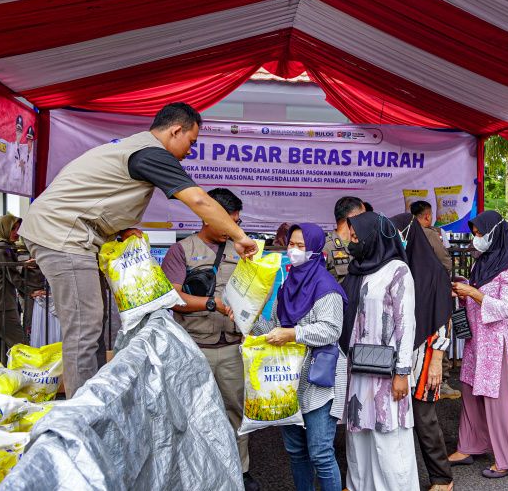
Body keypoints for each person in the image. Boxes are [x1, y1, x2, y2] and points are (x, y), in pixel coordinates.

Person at [19, 103, 258, 398]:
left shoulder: (134, 148)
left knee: (92, 324)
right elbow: (198, 201)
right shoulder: (151, 152)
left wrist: (118, 228)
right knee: (84, 326)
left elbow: (96, 192)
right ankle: (83, 416)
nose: (190, 151)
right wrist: (239, 236)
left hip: (66, 231)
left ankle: (93, 399)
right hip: (63, 235)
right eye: (191, 142)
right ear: (175, 130)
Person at [160, 188, 258, 491]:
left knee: (237, 415)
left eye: (237, 223)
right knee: (191, 416)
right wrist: (210, 304)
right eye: (229, 222)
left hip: (231, 349)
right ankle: (197, 478)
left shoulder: (240, 251)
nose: (234, 229)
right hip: (194, 350)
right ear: (207, 216)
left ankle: (239, 474)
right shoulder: (182, 250)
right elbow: (173, 297)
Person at [263, 224, 347, 491]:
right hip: (289, 379)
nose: (295, 250)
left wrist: (293, 334)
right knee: (296, 452)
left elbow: (331, 329)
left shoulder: (326, 286)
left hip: (318, 379)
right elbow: (275, 328)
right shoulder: (287, 285)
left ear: (314, 249)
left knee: (321, 453)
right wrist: (248, 318)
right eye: (291, 244)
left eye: (301, 246)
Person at [339, 212, 419, 491]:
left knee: (389, 444)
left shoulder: (397, 271)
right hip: (358, 368)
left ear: (374, 236)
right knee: (360, 438)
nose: (352, 239)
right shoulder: (359, 268)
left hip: (387, 373)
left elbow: (406, 325)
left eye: (357, 235)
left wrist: (402, 373)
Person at [447, 211, 508, 479]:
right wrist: (463, 291)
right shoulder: (481, 262)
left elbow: (506, 307)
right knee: (469, 391)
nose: (476, 239)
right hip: (475, 339)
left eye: (480, 234)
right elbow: (475, 297)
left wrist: (475, 294)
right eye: (475, 233)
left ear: (495, 233)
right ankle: (470, 445)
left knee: (496, 399)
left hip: (495, 342)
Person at [392, 213, 454, 491]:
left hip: (426, 354)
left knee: (424, 417)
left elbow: (442, 318)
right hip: (399, 354)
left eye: (398, 233)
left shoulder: (433, 272)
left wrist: (437, 361)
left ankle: (442, 478)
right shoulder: (396, 266)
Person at [409, 200, 458, 401]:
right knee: (438, 332)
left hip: (411, 293)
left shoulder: (405, 234)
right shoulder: (429, 234)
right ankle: (441, 381)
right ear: (427, 216)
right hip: (432, 292)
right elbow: (445, 262)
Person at [0, 215, 40, 356]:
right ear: (4, 228)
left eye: (18, 228)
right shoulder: (2, 246)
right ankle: (27, 376)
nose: (17, 232)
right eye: (13, 228)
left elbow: (1, 269)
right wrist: (31, 291)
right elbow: (13, 276)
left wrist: (21, 264)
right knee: (21, 347)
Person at [323, 196, 366, 283]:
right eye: (364, 216)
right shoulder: (325, 247)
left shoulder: (364, 243)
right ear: (354, 217)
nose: (366, 220)